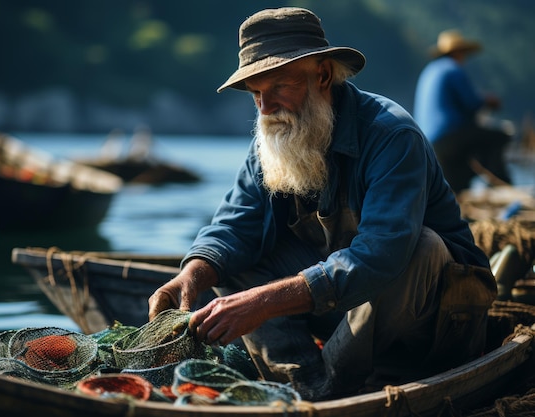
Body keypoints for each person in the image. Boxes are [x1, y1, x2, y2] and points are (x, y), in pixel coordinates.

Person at [148, 8, 496, 401]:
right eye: (256, 94)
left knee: (423, 248)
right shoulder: (272, 135)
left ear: (324, 75)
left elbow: (380, 255)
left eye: (279, 87)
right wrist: (193, 273)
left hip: (433, 322)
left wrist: (262, 302)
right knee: (229, 262)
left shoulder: (391, 134)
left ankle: (331, 387)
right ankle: (301, 381)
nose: (265, 108)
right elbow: (234, 224)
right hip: (343, 317)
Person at [413, 29, 512, 193]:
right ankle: (501, 184)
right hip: (450, 136)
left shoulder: (430, 71)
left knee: (456, 181)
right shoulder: (453, 69)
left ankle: (463, 196)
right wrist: (490, 101)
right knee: (500, 137)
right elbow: (472, 103)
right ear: (458, 52)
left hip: (430, 143)